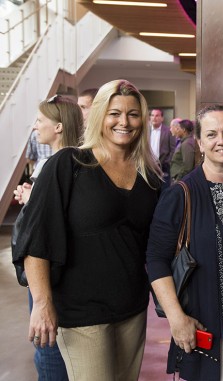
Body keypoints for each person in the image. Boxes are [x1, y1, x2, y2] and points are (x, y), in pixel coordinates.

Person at [14, 79, 162, 381]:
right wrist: (42, 303)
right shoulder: (68, 165)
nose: (124, 121)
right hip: (81, 313)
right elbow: (36, 238)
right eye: (114, 113)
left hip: (132, 309)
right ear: (99, 117)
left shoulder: (150, 178)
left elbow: (154, 245)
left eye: (133, 114)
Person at [147, 105, 223, 381]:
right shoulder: (181, 194)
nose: (221, 140)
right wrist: (176, 319)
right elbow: (155, 259)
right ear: (199, 143)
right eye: (211, 134)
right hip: (206, 321)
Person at [13, 94, 83, 381]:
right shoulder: (47, 162)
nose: (34, 126)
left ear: (58, 127)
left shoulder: (70, 164)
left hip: (53, 271)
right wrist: (30, 199)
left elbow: (64, 220)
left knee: (50, 347)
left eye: (40, 120)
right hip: (37, 269)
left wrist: (34, 202)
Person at [150, 108, 175, 187]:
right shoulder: (145, 131)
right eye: (152, 115)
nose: (154, 118)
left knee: (164, 190)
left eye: (157, 116)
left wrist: (167, 161)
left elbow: (172, 148)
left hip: (163, 165)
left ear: (162, 118)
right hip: (149, 165)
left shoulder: (168, 131)